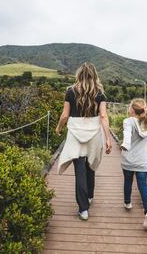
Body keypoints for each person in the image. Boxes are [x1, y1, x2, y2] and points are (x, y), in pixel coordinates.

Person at [55, 62, 112, 220]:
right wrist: (108, 138)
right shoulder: (100, 93)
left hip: (75, 133)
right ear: (94, 74)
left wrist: (58, 128)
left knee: (79, 169)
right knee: (91, 165)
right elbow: (103, 116)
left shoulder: (70, 91)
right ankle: (89, 196)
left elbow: (65, 115)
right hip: (93, 133)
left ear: (79, 74)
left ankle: (83, 209)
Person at [120, 98, 147, 230]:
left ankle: (128, 203)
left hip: (128, 159)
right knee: (143, 185)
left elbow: (127, 136)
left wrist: (125, 144)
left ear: (132, 110)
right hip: (142, 160)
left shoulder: (128, 121)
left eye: (129, 107)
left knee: (128, 181)